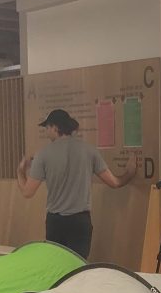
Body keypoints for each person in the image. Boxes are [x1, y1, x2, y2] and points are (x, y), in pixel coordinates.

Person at [17, 108, 137, 259]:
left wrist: (20, 171)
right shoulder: (89, 150)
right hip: (80, 222)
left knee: (56, 268)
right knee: (78, 270)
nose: (46, 131)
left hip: (56, 223)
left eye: (46, 127)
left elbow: (27, 192)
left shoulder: (43, 155)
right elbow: (115, 182)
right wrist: (130, 172)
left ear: (55, 127)